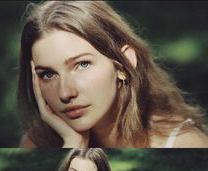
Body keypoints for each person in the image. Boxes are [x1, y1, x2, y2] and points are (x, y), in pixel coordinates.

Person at [18, 1, 208, 148]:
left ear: (123, 65)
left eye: (82, 64)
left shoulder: (185, 143)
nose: (65, 93)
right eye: (48, 74)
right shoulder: (36, 143)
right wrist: (73, 145)